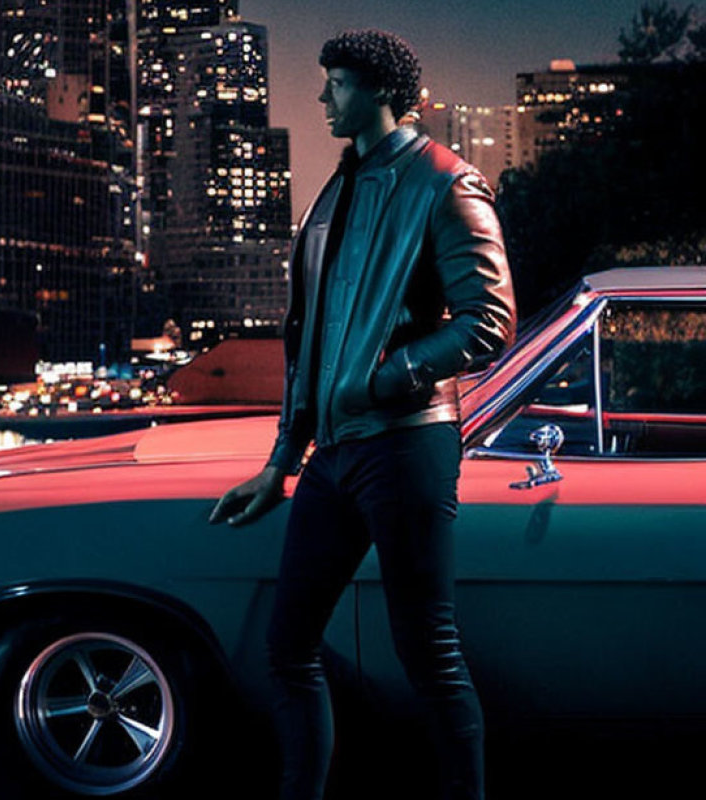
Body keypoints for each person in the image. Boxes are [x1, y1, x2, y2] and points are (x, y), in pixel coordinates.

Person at [209, 29, 516, 800]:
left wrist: (391, 377)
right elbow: (304, 341)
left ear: (380, 90)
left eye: (337, 84)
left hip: (407, 445)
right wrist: (280, 462)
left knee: (427, 652)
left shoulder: (446, 181)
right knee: (288, 646)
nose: (322, 99)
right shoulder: (331, 193)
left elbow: (489, 320)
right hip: (334, 455)